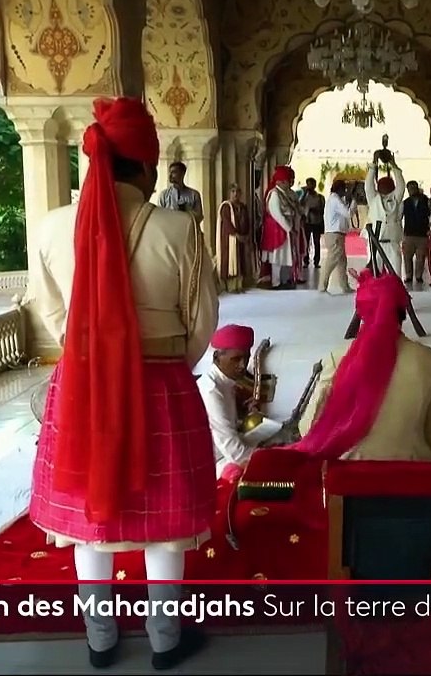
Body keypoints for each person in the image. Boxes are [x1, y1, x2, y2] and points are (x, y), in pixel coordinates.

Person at [25, 97, 220, 670]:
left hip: (82, 386)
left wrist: (92, 357)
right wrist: (166, 365)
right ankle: (165, 641)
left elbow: (51, 315)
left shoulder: (52, 227)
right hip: (161, 384)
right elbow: (201, 319)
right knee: (165, 521)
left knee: (91, 519)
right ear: (146, 164)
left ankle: (101, 640)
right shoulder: (179, 228)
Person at [296, 269, 431, 463]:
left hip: (347, 479)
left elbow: (307, 429)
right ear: (402, 313)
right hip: (412, 477)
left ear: (361, 313)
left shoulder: (338, 358)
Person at [198, 324, 268, 479]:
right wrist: (270, 459)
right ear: (216, 357)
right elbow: (234, 451)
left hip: (223, 454)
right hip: (211, 464)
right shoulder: (211, 390)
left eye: (246, 358)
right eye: (236, 359)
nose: (242, 366)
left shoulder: (226, 382)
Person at [363, 154, 406, 276]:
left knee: (395, 274)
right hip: (375, 242)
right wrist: (374, 163)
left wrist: (393, 164)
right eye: (381, 185)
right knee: (373, 274)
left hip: (392, 243)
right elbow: (368, 185)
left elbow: (401, 185)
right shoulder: (373, 199)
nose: (383, 187)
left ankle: (395, 294)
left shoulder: (395, 199)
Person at [260, 166, 298, 289]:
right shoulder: (274, 194)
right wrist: (289, 228)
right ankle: (276, 282)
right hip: (277, 230)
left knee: (285, 256)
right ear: (280, 182)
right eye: (287, 181)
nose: (289, 184)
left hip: (284, 230)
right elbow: (277, 214)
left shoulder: (284, 194)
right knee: (276, 257)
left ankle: (284, 280)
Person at [317, 179, 355, 294]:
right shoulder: (335, 199)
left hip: (336, 234)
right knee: (331, 260)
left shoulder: (335, 199)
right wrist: (354, 201)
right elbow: (348, 214)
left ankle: (345, 286)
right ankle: (322, 285)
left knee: (342, 262)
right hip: (335, 235)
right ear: (341, 189)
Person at [218, 184, 251, 293]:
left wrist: (246, 235)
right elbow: (227, 222)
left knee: (241, 260)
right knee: (230, 260)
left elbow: (247, 221)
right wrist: (236, 235)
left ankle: (239, 285)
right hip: (230, 239)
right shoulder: (226, 206)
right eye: (233, 191)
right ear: (229, 193)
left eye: (237, 191)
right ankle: (231, 287)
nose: (235, 194)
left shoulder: (242, 206)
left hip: (241, 238)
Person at [401, 181, 431, 284]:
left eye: (414, 188)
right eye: (410, 188)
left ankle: (419, 276)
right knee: (407, 257)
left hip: (422, 234)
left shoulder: (425, 200)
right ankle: (408, 276)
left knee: (420, 257)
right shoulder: (405, 203)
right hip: (409, 233)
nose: (412, 190)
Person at [154, 160, 203, 225]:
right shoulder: (164, 195)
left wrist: (186, 211)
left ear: (182, 173)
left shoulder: (194, 194)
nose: (170, 175)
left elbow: (199, 217)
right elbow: (159, 216)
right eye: (170, 172)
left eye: (174, 172)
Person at [300, 177, 325, 267]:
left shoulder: (319, 197)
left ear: (314, 185)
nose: (310, 186)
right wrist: (304, 194)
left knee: (316, 242)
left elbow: (322, 210)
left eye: (311, 184)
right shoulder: (304, 196)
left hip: (316, 222)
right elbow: (299, 205)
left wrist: (315, 210)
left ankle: (316, 261)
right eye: (308, 184)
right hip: (307, 222)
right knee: (306, 242)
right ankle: (305, 261)